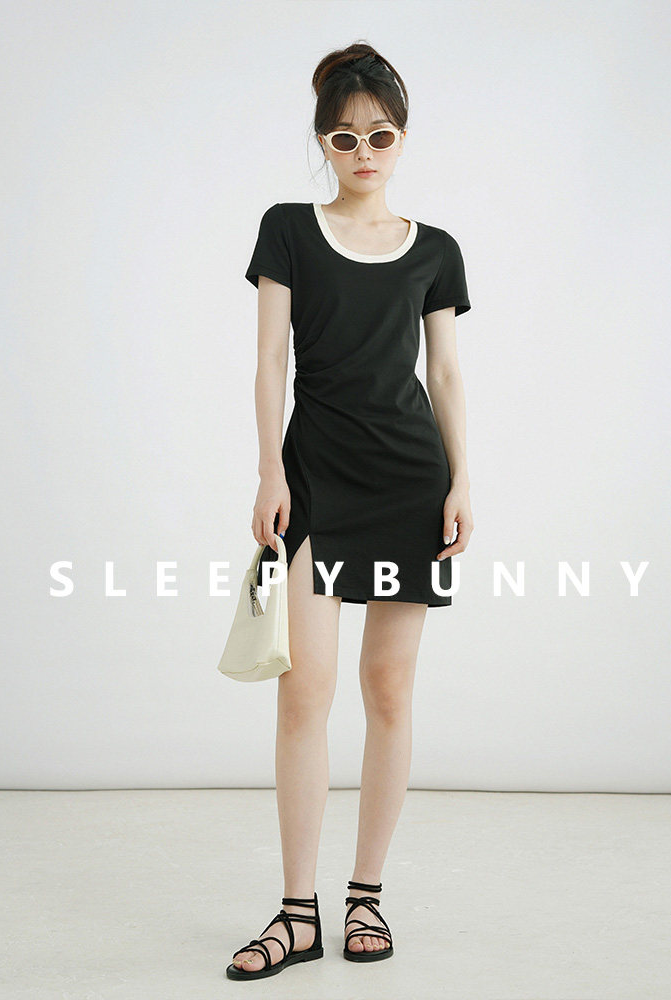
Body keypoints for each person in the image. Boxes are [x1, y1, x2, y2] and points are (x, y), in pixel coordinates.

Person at [226, 41, 473, 981]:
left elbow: (444, 372)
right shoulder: (288, 230)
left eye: (380, 135)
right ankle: (298, 913)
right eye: (343, 136)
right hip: (317, 481)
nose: (363, 152)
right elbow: (269, 363)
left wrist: (461, 481)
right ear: (323, 142)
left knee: (389, 691)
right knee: (306, 690)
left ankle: (366, 895)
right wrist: (268, 474)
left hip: (410, 480)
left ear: (401, 138)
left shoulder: (435, 249)